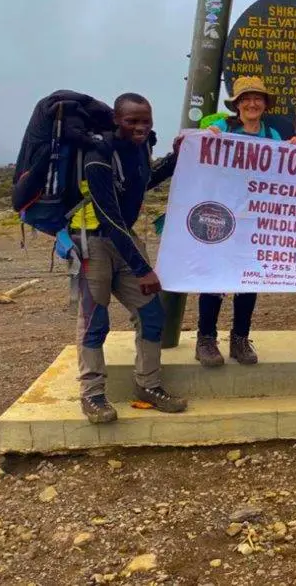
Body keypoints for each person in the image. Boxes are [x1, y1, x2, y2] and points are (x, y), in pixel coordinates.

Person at [71, 92, 186, 423]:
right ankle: (92, 394)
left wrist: (174, 159)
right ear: (116, 120)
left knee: (151, 314)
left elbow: (142, 181)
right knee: (96, 320)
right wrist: (143, 268)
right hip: (92, 242)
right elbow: (108, 216)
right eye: (131, 120)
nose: (140, 126)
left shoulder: (140, 148)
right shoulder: (98, 155)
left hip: (124, 239)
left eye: (145, 121)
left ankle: (148, 385)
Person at [194, 76, 296, 367]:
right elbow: (202, 142)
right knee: (215, 279)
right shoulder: (223, 128)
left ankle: (240, 339)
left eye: (257, 98)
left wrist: (295, 150)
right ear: (237, 105)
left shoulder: (273, 137)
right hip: (221, 217)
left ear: (265, 104)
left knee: (247, 280)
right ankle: (205, 339)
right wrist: (209, 136)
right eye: (245, 99)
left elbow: (284, 174)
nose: (252, 103)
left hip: (255, 220)